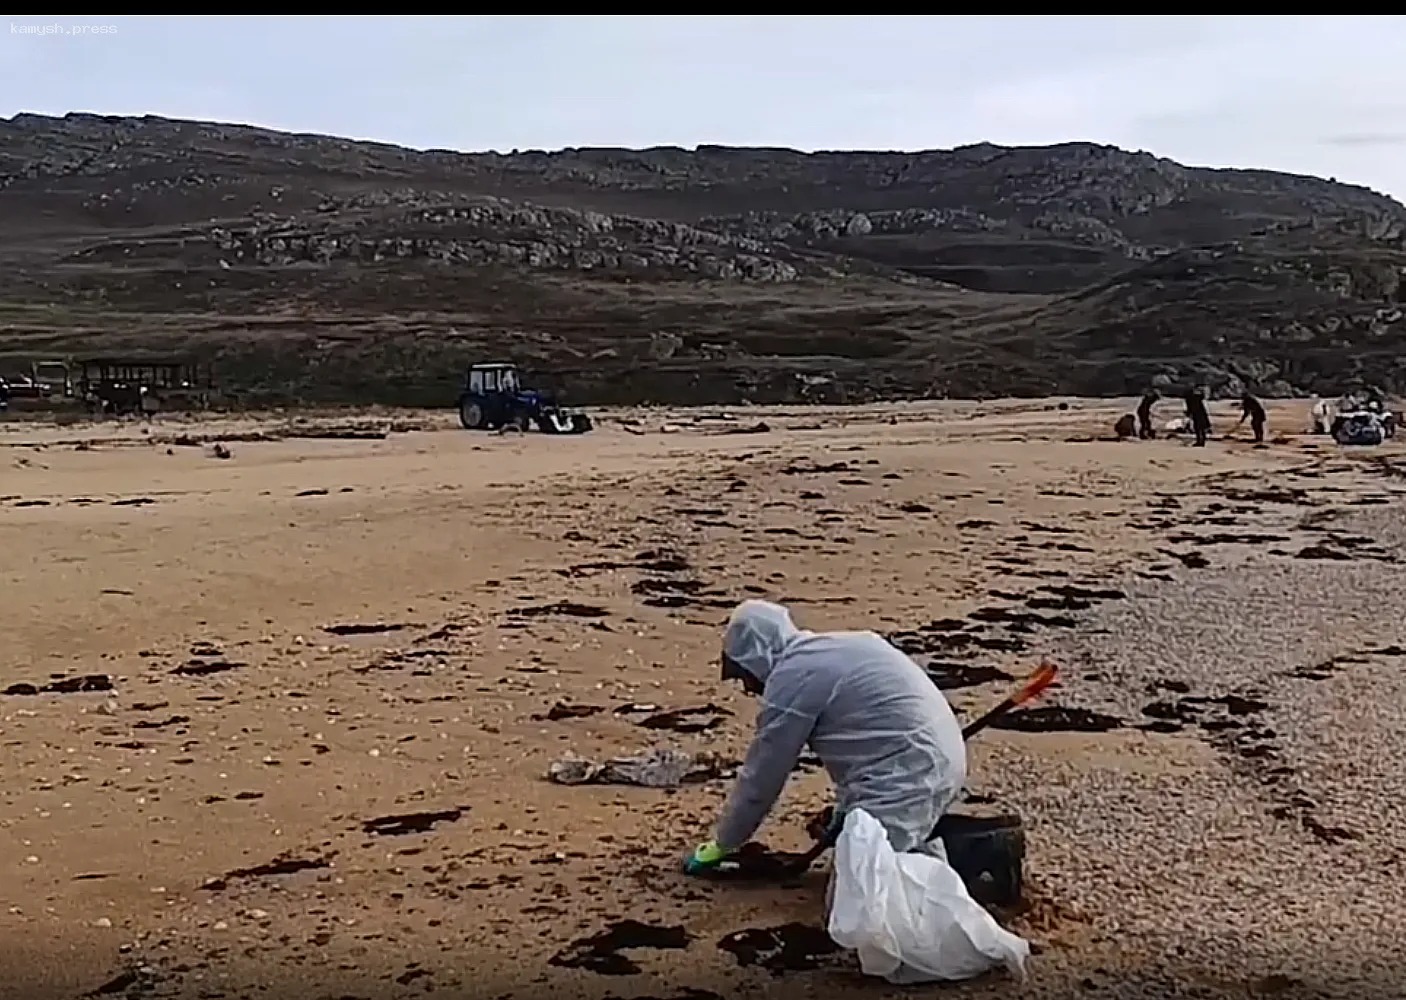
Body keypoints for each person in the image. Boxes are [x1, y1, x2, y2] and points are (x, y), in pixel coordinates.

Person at [683, 600, 967, 875]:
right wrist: (843, 816)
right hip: (936, 758)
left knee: (860, 890)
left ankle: (978, 856)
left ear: (757, 656)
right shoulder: (835, 647)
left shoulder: (792, 680)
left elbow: (762, 777)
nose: (747, 686)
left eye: (743, 675)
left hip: (908, 775)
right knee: (884, 853)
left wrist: (724, 842)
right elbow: (868, 748)